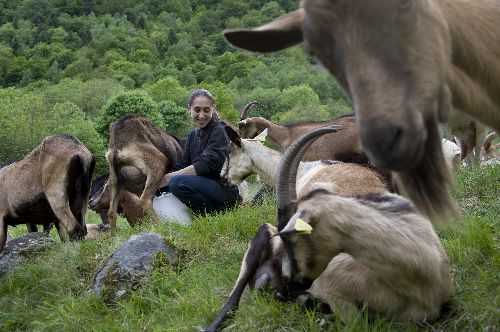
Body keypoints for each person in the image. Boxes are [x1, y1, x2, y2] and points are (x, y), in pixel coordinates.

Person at [156, 89, 241, 216]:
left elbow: (206, 164)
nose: (201, 115)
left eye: (206, 110)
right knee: (162, 187)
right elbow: (184, 163)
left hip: (224, 191)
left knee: (176, 183)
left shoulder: (220, 131)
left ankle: (214, 214)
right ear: (189, 109)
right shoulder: (193, 134)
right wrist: (157, 179)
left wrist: (167, 178)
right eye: (197, 110)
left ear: (213, 109)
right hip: (204, 186)